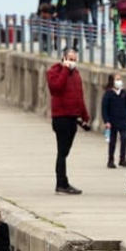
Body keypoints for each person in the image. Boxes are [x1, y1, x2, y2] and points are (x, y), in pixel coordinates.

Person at [46, 48, 90, 195]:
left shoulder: (76, 74)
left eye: (74, 59)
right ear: (63, 58)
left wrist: (84, 116)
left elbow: (79, 96)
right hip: (61, 116)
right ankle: (61, 183)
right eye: (70, 59)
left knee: (65, 151)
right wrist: (65, 69)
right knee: (62, 151)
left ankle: (63, 182)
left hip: (73, 116)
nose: (72, 62)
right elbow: (56, 88)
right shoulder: (54, 71)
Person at [101, 73, 126, 169]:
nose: (119, 81)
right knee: (112, 141)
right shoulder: (108, 94)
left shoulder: (124, 93)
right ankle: (110, 159)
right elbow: (104, 109)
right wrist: (106, 121)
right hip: (112, 122)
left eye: (120, 79)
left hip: (123, 121)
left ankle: (123, 158)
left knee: (124, 139)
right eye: (117, 79)